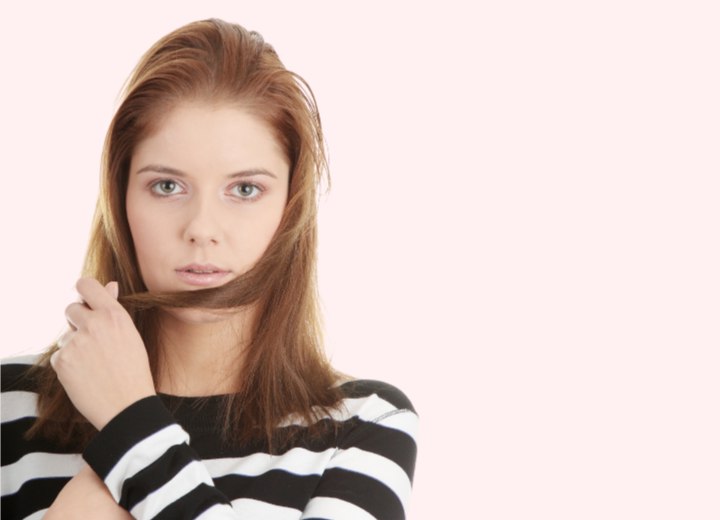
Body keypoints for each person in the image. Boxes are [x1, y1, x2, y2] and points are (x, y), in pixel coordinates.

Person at [0, 18, 417, 520]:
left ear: (291, 207)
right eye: (167, 186)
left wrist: (128, 424)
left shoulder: (364, 427)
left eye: (244, 190)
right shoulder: (11, 407)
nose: (201, 228)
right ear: (121, 196)